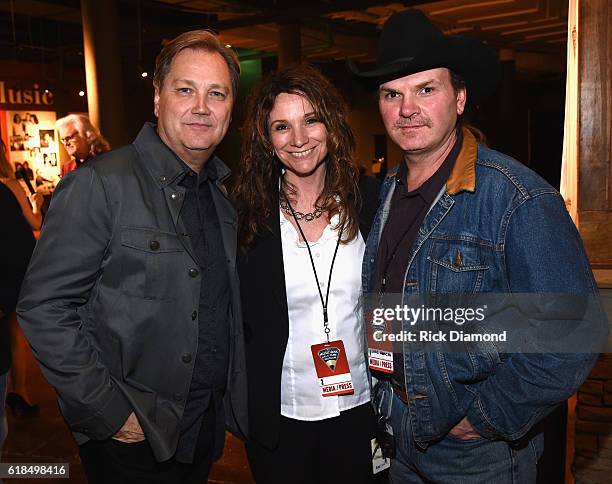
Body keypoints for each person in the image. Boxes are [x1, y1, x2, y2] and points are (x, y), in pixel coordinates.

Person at [348, 9, 601, 483]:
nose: (407, 109)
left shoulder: (516, 197)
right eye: (392, 94)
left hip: (473, 452)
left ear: (459, 98)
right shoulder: (385, 192)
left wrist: (484, 419)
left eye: (426, 89)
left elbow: (573, 334)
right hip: (397, 432)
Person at [17, 30, 247, 483]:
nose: (201, 106)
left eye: (216, 93)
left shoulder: (224, 198)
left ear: (229, 109)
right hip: (132, 440)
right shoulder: (101, 185)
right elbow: (44, 307)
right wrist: (108, 411)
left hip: (200, 430)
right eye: (185, 89)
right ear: (158, 97)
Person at [233, 64, 380, 483]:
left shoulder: (370, 202)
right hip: (279, 416)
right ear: (267, 138)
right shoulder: (247, 218)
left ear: (331, 125)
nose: (299, 139)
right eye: (282, 126)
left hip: (359, 411)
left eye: (311, 120)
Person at [0, 143, 38, 457]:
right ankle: (20, 392)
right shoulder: (9, 187)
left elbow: (27, 237)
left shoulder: (5, 189)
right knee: (16, 334)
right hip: (16, 275)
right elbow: (34, 224)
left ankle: (18, 392)